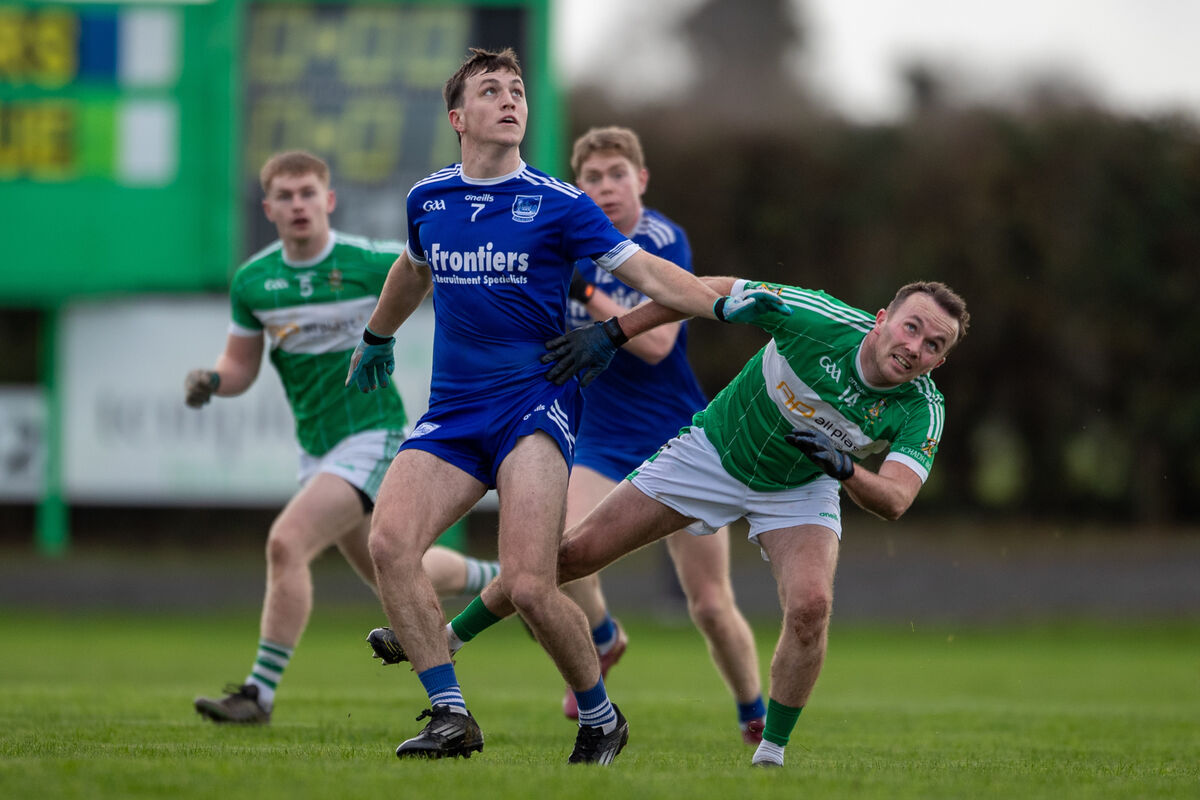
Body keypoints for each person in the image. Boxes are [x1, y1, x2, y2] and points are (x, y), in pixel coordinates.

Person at [344, 48, 790, 764]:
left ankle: (600, 716)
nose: (510, 98)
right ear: (459, 118)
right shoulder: (428, 199)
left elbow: (645, 273)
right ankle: (450, 713)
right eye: (491, 90)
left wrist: (731, 302)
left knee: (530, 582)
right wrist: (376, 334)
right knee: (389, 544)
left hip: (534, 409)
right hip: (454, 413)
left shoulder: (560, 204)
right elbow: (411, 266)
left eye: (517, 88)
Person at [442, 278, 969, 768]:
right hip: (712, 454)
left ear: (940, 361)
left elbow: (896, 499)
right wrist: (613, 332)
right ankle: (449, 640)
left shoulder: (923, 407)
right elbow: (704, 288)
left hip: (802, 487)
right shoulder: (817, 318)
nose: (915, 347)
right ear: (881, 319)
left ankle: (770, 754)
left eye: (933, 345)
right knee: (571, 555)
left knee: (811, 607)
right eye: (911, 327)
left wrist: (845, 469)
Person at [187, 150, 499, 725]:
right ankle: (500, 581)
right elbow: (241, 367)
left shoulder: (369, 260)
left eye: (308, 192)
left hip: (373, 436)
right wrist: (212, 381)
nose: (298, 204)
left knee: (286, 543)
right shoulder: (254, 281)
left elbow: (437, 271)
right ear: (269, 208)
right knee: (401, 575)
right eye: (286, 195)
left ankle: (258, 694)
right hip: (319, 449)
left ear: (329, 201)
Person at [542, 126, 768, 741]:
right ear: (577, 187)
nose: (607, 187)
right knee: (559, 550)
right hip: (600, 437)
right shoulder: (565, 238)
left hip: (678, 440)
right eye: (593, 178)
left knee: (710, 605)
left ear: (641, 181)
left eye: (618, 175)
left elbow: (659, 340)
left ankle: (755, 715)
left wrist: (586, 290)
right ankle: (604, 636)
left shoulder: (662, 239)